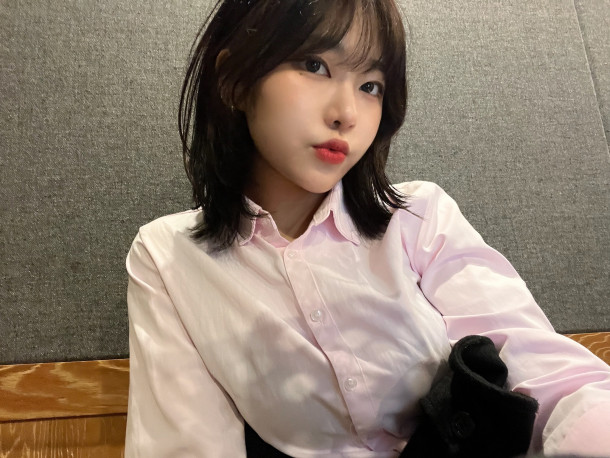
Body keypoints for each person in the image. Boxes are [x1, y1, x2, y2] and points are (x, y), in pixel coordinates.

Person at [124, 0, 610, 456]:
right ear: (234, 80)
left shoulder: (418, 215)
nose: (347, 114)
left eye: (371, 86)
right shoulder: (167, 257)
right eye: (315, 65)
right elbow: (185, 443)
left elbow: (541, 367)